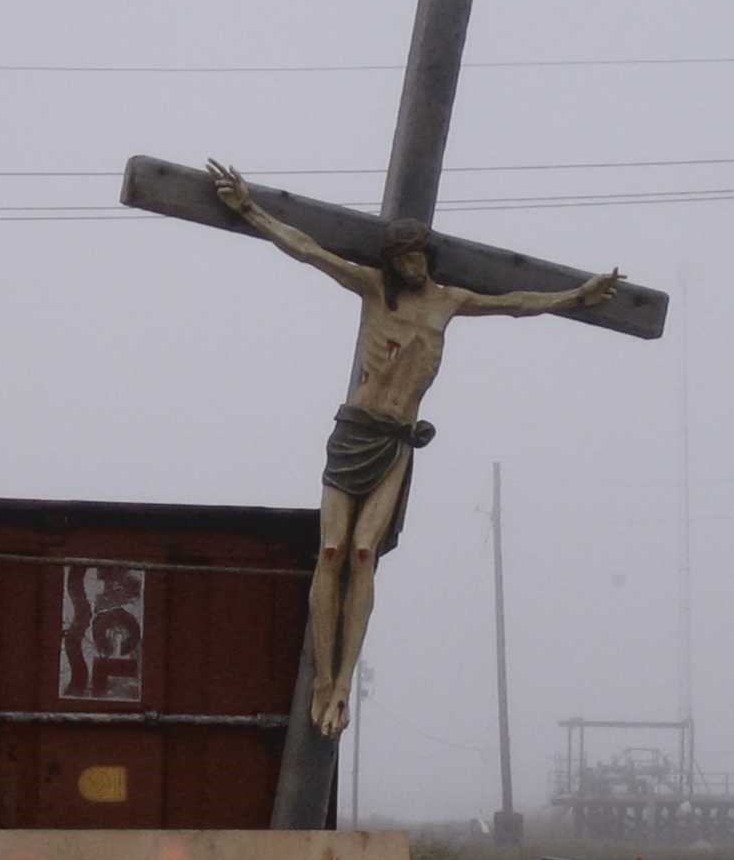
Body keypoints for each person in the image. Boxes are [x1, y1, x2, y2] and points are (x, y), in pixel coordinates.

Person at [208, 160, 620, 737]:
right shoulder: (374, 289)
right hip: (354, 430)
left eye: (417, 254)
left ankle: (344, 681)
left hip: (397, 442)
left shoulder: (449, 302)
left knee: (361, 555)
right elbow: (307, 249)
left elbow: (520, 302)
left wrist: (579, 294)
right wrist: (249, 208)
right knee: (330, 550)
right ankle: (322, 677)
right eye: (402, 257)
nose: (411, 264)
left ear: (426, 255)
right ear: (392, 262)